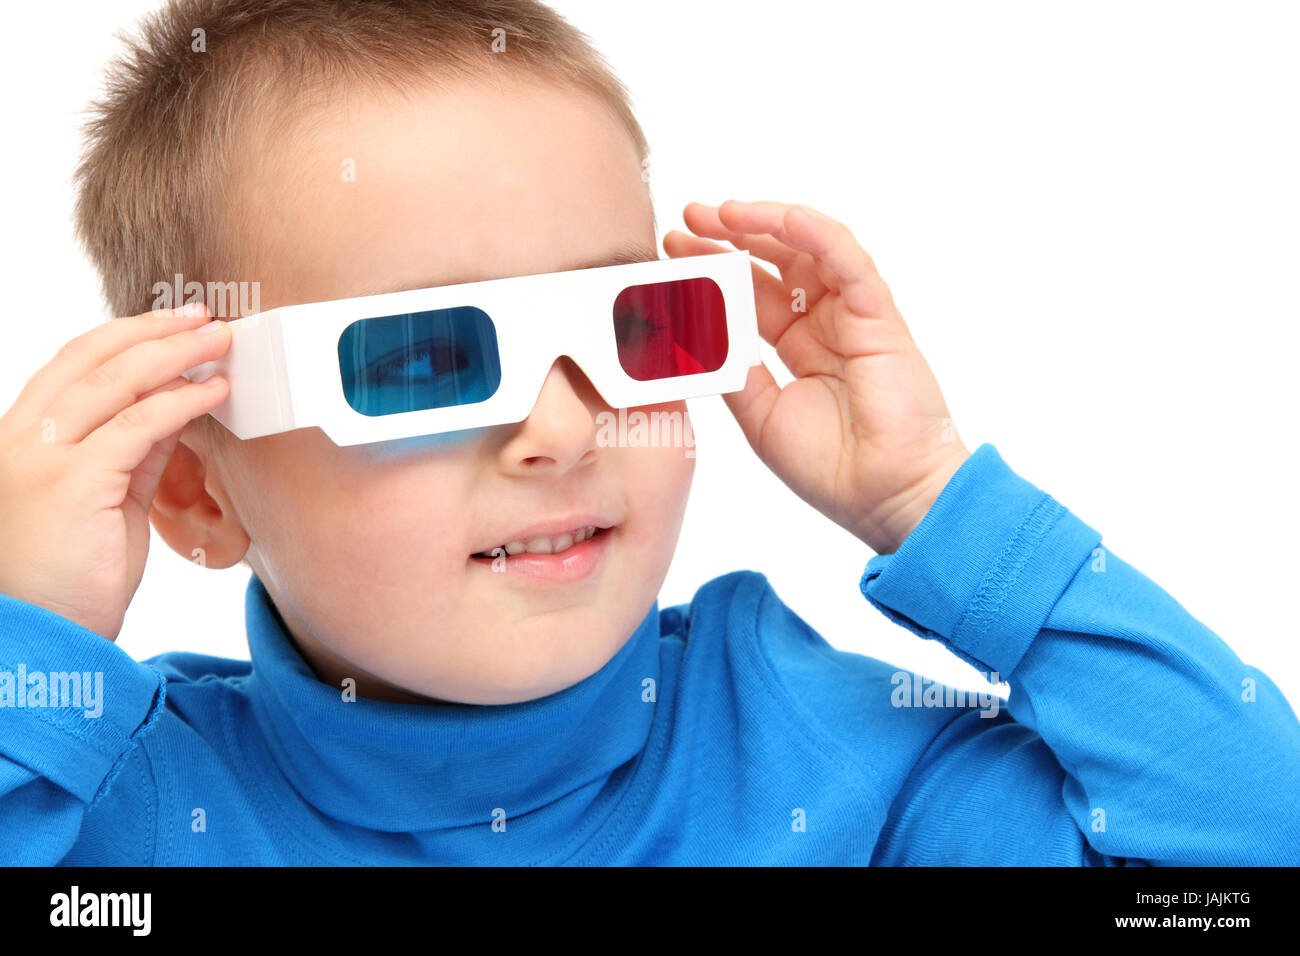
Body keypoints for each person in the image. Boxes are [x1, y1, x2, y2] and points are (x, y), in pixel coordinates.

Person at [0, 0, 1296, 864]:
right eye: (417, 360)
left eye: (629, 324)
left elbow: (1241, 845)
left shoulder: (821, 754)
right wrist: (26, 644)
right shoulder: (106, 804)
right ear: (194, 493)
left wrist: (934, 504)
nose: (562, 430)